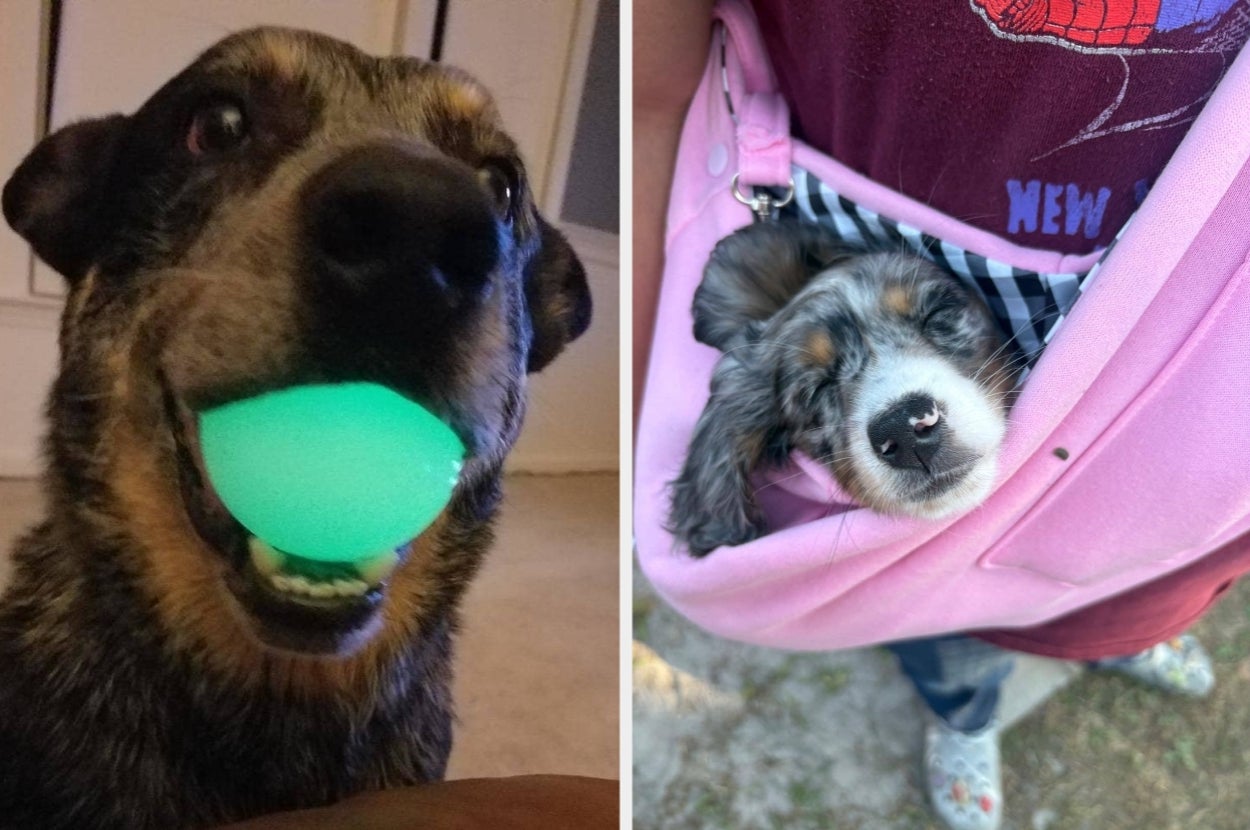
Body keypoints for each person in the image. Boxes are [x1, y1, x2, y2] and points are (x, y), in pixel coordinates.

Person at [634, 2, 1250, 828]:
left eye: (936, 320)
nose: (901, 414)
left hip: (1180, 426)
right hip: (940, 560)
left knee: (1137, 591)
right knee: (952, 641)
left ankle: (1123, 638)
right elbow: (651, 87)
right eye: (823, 392)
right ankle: (966, 716)